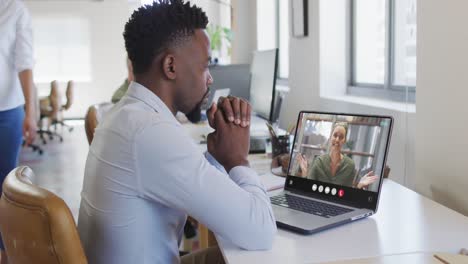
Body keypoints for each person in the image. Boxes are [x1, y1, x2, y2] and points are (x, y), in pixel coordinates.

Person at [77, 1, 276, 263]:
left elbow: (189, 181)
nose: (210, 79)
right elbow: (261, 232)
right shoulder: (150, 132)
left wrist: (217, 156)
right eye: (205, 66)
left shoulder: (127, 115)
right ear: (171, 66)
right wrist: (238, 159)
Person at [0, 0, 37, 263]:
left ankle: (4, 253)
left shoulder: (15, 10)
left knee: (4, 188)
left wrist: (31, 112)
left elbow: (24, 64)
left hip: (7, 112)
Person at [296, 122, 378, 189]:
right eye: (335, 135)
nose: (337, 140)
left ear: (344, 140)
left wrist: (359, 185)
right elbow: (308, 189)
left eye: (341, 137)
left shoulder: (350, 165)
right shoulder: (318, 161)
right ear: (331, 137)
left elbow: (348, 196)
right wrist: (304, 173)